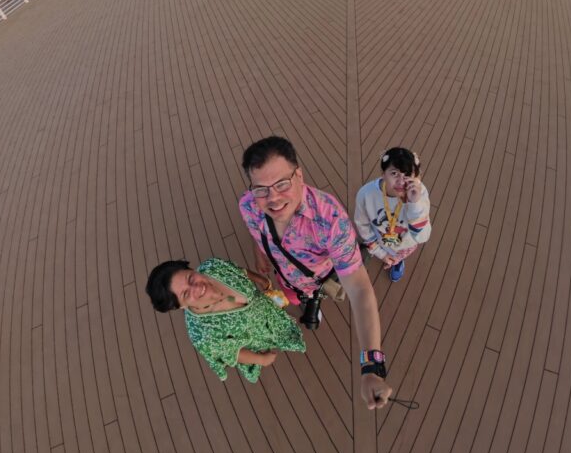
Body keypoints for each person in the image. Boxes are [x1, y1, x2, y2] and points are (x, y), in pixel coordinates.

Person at [238, 135, 393, 409]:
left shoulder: (331, 221)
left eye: (282, 184)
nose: (272, 198)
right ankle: (305, 302)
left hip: (315, 278)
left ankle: (313, 302)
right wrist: (259, 254)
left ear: (299, 175)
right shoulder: (249, 204)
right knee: (293, 297)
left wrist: (372, 367)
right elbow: (257, 229)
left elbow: (358, 288)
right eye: (261, 188)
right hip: (283, 276)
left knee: (309, 297)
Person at [145, 258, 306, 383]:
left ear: (192, 269)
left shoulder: (213, 267)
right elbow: (232, 353)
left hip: (267, 304)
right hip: (260, 334)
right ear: (180, 306)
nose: (198, 287)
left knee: (283, 307)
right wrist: (262, 360)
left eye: (190, 278)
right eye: (186, 294)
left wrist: (263, 281)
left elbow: (240, 271)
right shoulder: (203, 335)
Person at [354, 146, 433, 282]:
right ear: (383, 173)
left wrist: (414, 204)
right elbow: (362, 225)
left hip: (406, 244)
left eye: (407, 174)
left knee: (397, 257)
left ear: (416, 176)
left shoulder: (420, 194)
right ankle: (384, 256)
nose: (401, 182)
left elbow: (422, 237)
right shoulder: (366, 194)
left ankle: (397, 262)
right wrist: (379, 252)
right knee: (379, 251)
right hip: (379, 238)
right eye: (394, 173)